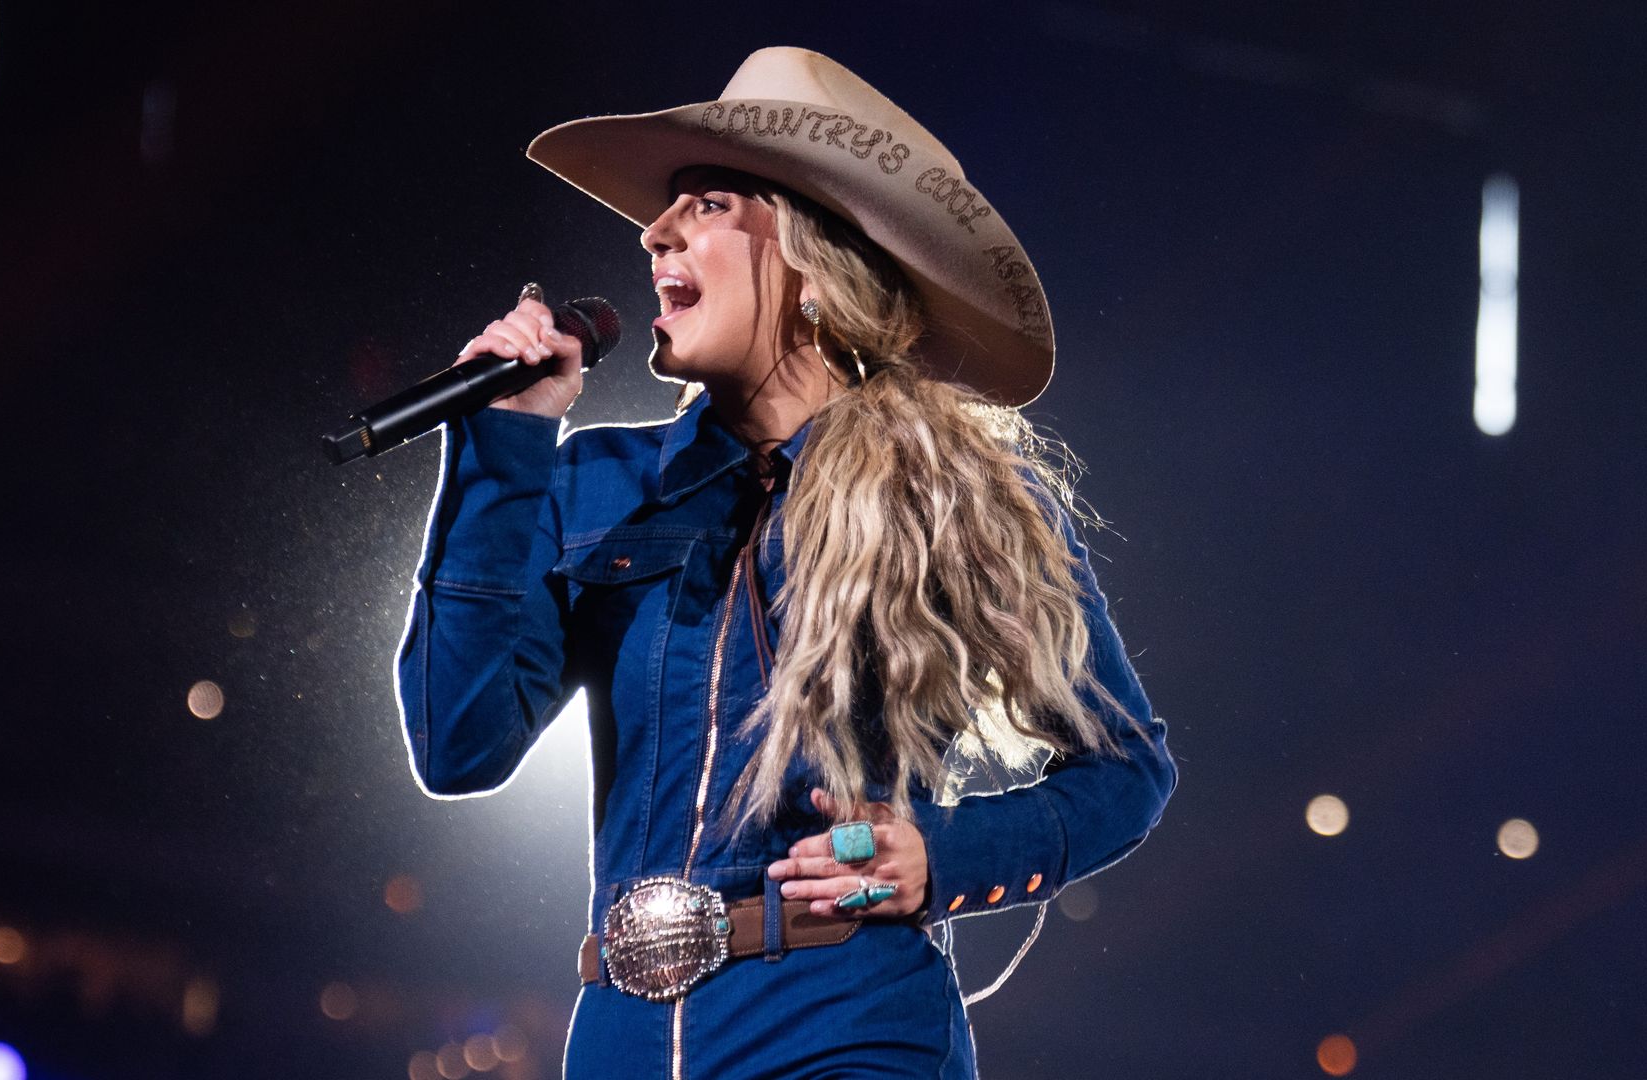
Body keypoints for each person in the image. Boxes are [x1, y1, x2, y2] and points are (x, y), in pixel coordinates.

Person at [395, 47, 1176, 1079]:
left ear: (813, 263)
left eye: (708, 203)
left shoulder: (946, 495)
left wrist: (942, 856)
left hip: (844, 1023)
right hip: (623, 1037)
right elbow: (459, 747)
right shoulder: (592, 484)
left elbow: (1128, 772)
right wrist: (502, 453)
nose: (654, 230)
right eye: (665, 213)